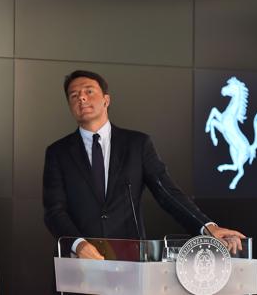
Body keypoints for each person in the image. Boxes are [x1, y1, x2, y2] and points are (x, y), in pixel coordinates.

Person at [42, 70, 244, 260]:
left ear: (106, 99)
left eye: (88, 91)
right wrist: (77, 244)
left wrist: (207, 226)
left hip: (129, 260)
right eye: (74, 95)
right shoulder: (57, 152)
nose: (82, 98)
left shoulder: (137, 144)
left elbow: (167, 193)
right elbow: (54, 211)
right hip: (77, 261)